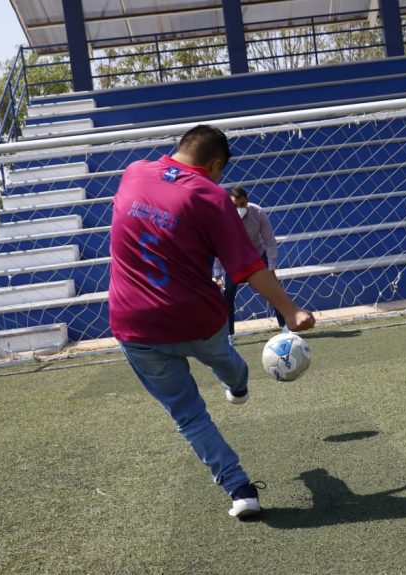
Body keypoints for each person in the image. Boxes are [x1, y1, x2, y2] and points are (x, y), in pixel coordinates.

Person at [108, 125, 315, 519]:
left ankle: (240, 489)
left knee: (189, 416)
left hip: (134, 324)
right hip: (195, 319)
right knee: (228, 362)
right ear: (215, 164)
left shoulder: (134, 171)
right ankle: (237, 385)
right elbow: (249, 267)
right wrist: (290, 311)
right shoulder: (211, 195)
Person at [212, 186, 285, 345]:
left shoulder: (258, 212)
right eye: (234, 205)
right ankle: (229, 335)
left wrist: (271, 268)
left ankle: (285, 328)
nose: (238, 208)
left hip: (258, 255)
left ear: (247, 201)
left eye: (242, 204)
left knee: (273, 289)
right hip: (235, 260)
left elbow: (270, 242)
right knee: (228, 295)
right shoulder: (223, 217)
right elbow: (219, 247)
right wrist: (217, 274)